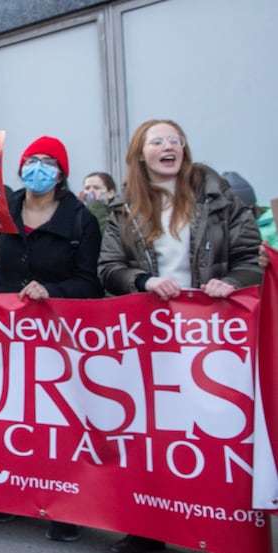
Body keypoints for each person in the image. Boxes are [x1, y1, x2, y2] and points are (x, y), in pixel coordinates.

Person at [98, 119, 262, 553]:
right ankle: (148, 529)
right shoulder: (124, 208)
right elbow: (109, 268)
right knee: (152, 435)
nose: (169, 146)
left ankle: (225, 525)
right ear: (141, 153)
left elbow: (251, 259)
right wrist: (143, 282)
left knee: (217, 433)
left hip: (213, 334)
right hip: (152, 336)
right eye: (158, 141)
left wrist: (234, 283)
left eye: (175, 139)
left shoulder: (219, 199)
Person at [0, 135, 103, 543]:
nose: (38, 168)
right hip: (9, 334)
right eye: (31, 160)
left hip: (58, 336)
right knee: (10, 418)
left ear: (61, 173)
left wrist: (53, 292)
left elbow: (90, 281)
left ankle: (64, 506)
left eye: (47, 162)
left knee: (57, 424)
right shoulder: (8, 210)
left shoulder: (81, 220)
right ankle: (6, 496)